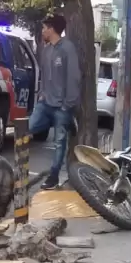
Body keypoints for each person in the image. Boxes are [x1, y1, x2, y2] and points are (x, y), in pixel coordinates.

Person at [29, 13, 81, 190]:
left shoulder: (67, 49)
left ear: (52, 29)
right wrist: (42, 94)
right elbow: (44, 75)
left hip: (62, 106)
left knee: (59, 142)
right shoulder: (46, 50)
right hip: (45, 102)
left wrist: (68, 105)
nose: (42, 31)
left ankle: (53, 177)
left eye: (44, 28)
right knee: (28, 128)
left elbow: (73, 77)